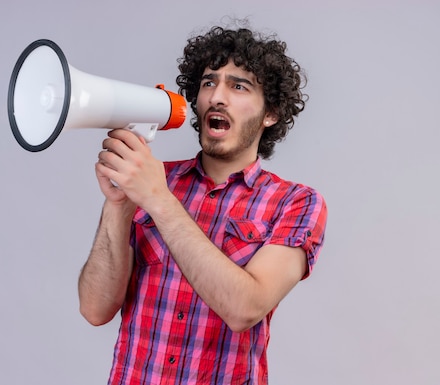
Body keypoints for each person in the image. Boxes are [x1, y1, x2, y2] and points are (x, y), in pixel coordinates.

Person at [78, 23, 327, 385]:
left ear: (270, 113)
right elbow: (94, 309)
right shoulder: (151, 181)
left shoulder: (296, 203)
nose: (217, 97)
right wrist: (118, 205)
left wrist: (157, 199)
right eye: (209, 83)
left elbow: (245, 309)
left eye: (238, 85)